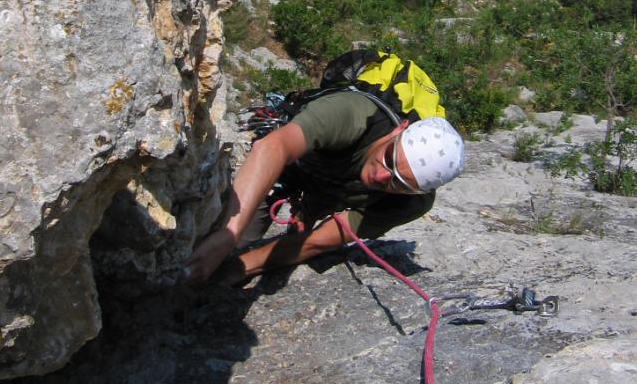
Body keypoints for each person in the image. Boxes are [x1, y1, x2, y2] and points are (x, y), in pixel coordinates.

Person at [184, 90, 464, 286]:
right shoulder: (353, 115)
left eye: (398, 184)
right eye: (389, 159)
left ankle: (308, 206)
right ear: (398, 129)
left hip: (330, 189)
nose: (380, 176)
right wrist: (229, 236)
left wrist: (240, 268)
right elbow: (272, 148)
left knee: (230, 257)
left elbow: (320, 241)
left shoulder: (412, 203)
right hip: (289, 163)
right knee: (217, 232)